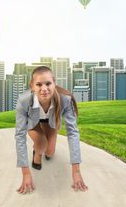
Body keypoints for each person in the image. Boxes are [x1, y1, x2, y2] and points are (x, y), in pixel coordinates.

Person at [15, 66, 88, 194]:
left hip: (52, 122)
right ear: (32, 86)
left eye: (48, 83)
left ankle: (43, 148)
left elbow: (72, 133)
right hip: (35, 123)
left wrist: (76, 171)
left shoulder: (65, 99)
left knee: (50, 153)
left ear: (54, 83)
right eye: (39, 84)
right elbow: (20, 135)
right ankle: (37, 152)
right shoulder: (24, 100)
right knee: (42, 144)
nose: (44, 89)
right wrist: (25, 173)